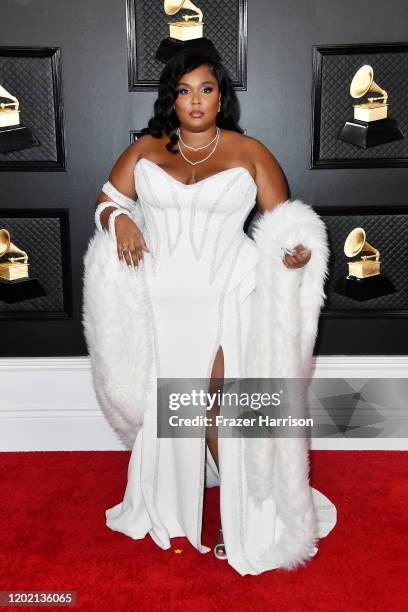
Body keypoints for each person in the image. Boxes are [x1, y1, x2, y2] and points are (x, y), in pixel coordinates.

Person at [90, 44, 336, 575]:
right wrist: (122, 221)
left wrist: (293, 252)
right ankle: (176, 507)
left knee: (220, 406)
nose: (196, 101)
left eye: (206, 89)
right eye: (184, 91)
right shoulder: (148, 150)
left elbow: (284, 224)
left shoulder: (250, 151)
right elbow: (107, 200)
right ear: (171, 99)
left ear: (221, 97)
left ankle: (238, 516)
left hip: (231, 292)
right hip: (164, 302)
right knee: (181, 407)